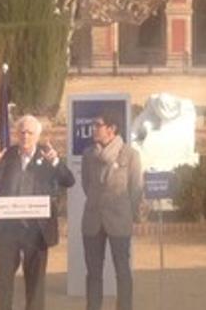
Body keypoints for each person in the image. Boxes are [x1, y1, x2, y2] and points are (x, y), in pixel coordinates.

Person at [0, 114, 75, 310]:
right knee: (3, 281)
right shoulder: (6, 155)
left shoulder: (47, 156)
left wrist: (56, 162)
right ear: (16, 134)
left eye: (30, 133)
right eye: (21, 132)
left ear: (37, 135)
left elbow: (69, 181)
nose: (25, 136)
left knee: (35, 285)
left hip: (37, 231)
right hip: (8, 231)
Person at [81, 110, 143, 310]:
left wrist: (126, 213)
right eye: (93, 125)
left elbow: (136, 189)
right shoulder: (88, 155)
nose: (94, 129)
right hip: (92, 221)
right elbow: (86, 185)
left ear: (112, 129)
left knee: (123, 271)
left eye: (98, 125)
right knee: (93, 273)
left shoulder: (130, 154)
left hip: (119, 221)